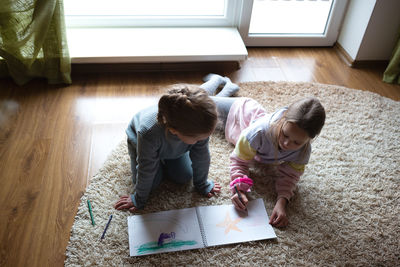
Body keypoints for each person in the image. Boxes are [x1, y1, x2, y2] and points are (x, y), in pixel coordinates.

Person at [114, 75, 239, 212]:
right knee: (151, 184)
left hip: (175, 145)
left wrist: (202, 184)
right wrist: (138, 199)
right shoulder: (148, 132)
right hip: (141, 144)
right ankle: (218, 81)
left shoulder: (197, 123)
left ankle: (217, 80)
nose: (202, 141)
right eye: (198, 139)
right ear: (174, 131)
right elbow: (146, 170)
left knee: (184, 176)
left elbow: (202, 156)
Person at [211, 88, 326, 228]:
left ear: (310, 140)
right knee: (196, 102)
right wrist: (238, 188)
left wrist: (282, 201)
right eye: (285, 134)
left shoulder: (304, 151)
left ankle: (227, 88)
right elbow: (239, 161)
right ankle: (221, 83)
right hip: (236, 112)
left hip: (244, 119)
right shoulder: (257, 133)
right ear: (283, 119)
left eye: (296, 142)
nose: (286, 144)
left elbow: (290, 176)